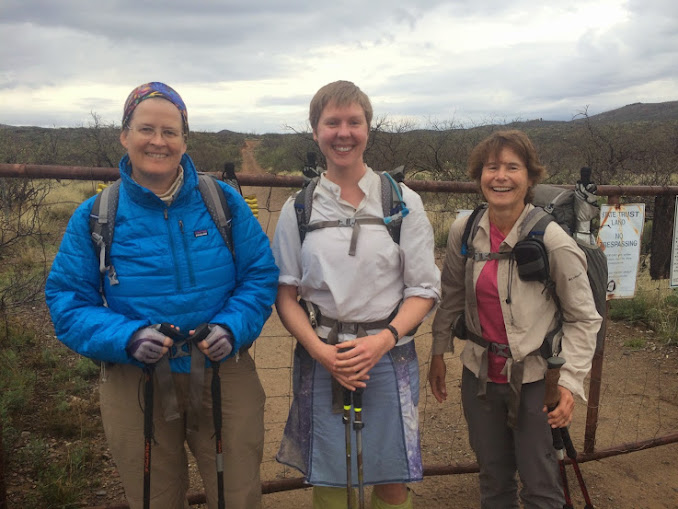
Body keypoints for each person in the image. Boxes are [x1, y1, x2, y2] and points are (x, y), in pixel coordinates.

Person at [45, 82, 278, 509]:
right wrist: (127, 338)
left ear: (184, 141)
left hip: (223, 371)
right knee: (153, 498)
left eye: (170, 132)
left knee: (239, 495)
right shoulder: (96, 216)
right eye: (146, 129)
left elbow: (259, 276)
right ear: (125, 135)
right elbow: (67, 302)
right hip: (136, 378)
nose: (158, 141)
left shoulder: (222, 202)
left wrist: (232, 327)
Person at [272, 80, 441, 509]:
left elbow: (423, 289)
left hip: (389, 355)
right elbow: (286, 293)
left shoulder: (401, 202)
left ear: (368, 128)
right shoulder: (299, 208)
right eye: (332, 122)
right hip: (321, 355)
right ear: (315, 130)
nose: (343, 133)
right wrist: (321, 353)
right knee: (331, 475)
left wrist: (382, 341)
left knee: (391, 477)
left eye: (354, 122)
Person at [428, 129, 601, 508]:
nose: (500, 176)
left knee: (540, 485)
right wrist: (438, 351)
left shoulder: (552, 240)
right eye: (491, 167)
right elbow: (451, 295)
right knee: (493, 478)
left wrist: (569, 382)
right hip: (480, 374)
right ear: (479, 175)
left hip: (536, 378)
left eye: (512, 167)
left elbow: (584, 318)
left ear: (530, 177)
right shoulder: (465, 231)